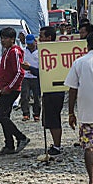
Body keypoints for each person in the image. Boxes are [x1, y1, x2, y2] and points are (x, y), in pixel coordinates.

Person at [64, 31, 93, 184]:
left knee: (89, 147)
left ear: (87, 45)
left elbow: (72, 89)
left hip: (87, 114)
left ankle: (92, 182)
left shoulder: (79, 62)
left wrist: (71, 112)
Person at [0, 27, 30, 156]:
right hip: (6, 89)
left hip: (12, 90)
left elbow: (19, 72)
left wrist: (9, 87)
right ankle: (9, 145)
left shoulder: (14, 52)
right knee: (4, 116)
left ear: (12, 39)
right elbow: (4, 71)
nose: (3, 40)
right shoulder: (7, 51)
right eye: (1, 38)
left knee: (1, 116)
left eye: (5, 38)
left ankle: (21, 137)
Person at [39, 26, 65, 155]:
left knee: (54, 118)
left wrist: (30, 69)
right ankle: (55, 144)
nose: (40, 39)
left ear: (49, 37)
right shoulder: (44, 51)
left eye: (42, 36)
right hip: (48, 89)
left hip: (55, 90)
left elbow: (44, 72)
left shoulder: (54, 52)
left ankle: (57, 146)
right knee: (49, 118)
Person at [20, 34, 41, 122]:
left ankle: (36, 114)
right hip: (26, 76)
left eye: (31, 43)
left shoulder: (39, 52)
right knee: (25, 95)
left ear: (35, 42)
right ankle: (25, 113)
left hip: (36, 77)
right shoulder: (23, 51)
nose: (30, 45)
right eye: (28, 44)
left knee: (37, 96)